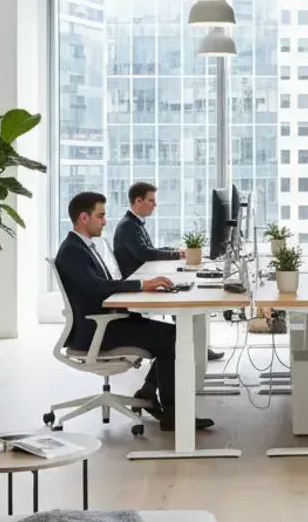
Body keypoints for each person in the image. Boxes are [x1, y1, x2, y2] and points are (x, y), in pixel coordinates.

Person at [53, 191, 215, 432]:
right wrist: (141, 285)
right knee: (172, 337)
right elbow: (96, 287)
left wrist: (142, 287)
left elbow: (100, 286)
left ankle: (150, 394)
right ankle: (173, 415)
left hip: (107, 322)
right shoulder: (72, 251)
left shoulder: (83, 247)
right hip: (97, 330)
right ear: (84, 217)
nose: (105, 221)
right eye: (100, 215)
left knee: (172, 334)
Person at [113, 181, 222, 362]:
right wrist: (175, 254)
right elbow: (145, 253)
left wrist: (173, 250)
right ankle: (192, 348)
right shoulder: (128, 226)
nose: (155, 205)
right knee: (183, 292)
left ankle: (197, 348)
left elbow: (148, 249)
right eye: (151, 200)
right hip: (140, 283)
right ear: (138, 201)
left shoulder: (135, 223)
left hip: (146, 275)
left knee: (184, 284)